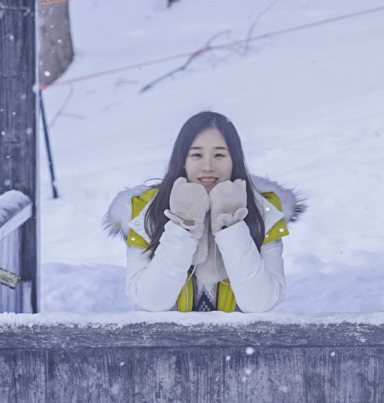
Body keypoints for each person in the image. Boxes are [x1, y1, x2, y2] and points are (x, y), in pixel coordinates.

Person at [105, 111, 303, 312]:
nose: (208, 166)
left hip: (240, 343)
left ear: (234, 160)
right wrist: (183, 223)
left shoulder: (265, 210)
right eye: (197, 155)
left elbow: (260, 303)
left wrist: (231, 223)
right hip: (166, 343)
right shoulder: (145, 212)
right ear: (182, 160)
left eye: (219, 155)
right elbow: (151, 301)